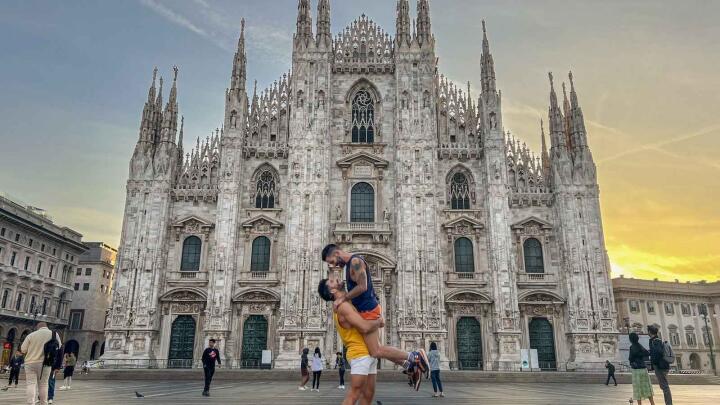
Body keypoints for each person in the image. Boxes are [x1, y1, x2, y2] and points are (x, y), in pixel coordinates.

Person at [321, 244, 429, 389]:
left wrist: (343, 298)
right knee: (377, 348)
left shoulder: (355, 262)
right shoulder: (350, 265)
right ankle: (409, 365)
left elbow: (363, 286)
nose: (334, 265)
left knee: (376, 350)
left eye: (333, 261)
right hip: (367, 309)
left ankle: (415, 356)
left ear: (336, 253)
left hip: (368, 311)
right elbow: (368, 290)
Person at [318, 275, 388, 405]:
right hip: (360, 353)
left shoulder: (345, 302)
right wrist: (379, 321)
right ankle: (412, 358)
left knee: (368, 394)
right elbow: (364, 327)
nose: (336, 278)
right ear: (332, 291)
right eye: (332, 281)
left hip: (369, 352)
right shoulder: (343, 306)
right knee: (354, 395)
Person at [20, 321, 62, 405]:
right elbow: (60, 347)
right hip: (46, 363)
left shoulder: (31, 335)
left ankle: (30, 403)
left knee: (31, 384)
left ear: (37, 327)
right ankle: (44, 403)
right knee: (43, 384)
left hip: (30, 362)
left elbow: (23, 349)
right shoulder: (54, 334)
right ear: (46, 326)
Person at [648, 325, 673, 405]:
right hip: (663, 365)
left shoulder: (655, 341)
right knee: (664, 386)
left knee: (664, 386)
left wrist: (654, 363)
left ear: (650, 332)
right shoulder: (658, 340)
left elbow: (658, 352)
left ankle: (669, 403)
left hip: (660, 366)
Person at [628, 332, 655, 405]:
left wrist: (634, 358)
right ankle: (652, 403)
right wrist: (640, 355)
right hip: (643, 369)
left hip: (636, 371)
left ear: (630, 339)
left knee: (638, 389)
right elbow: (647, 353)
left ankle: (639, 404)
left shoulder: (632, 347)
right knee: (647, 387)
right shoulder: (640, 346)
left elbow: (630, 359)